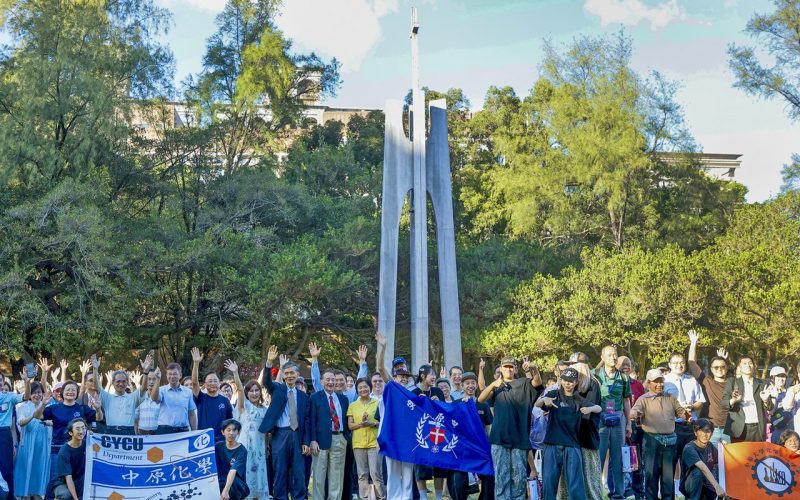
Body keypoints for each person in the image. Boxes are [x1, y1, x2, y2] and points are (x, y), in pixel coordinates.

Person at [478, 356, 544, 500]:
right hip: (499, 439)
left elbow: (538, 383)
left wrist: (533, 368)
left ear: (515, 369)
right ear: (501, 369)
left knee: (519, 480)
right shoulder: (497, 386)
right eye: (505, 366)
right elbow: (480, 399)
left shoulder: (524, 383)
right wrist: (493, 385)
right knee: (502, 479)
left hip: (519, 439)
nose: (508, 369)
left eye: (511, 367)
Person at [537, 367, 600, 499]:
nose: (568, 383)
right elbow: (537, 403)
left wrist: (590, 408)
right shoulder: (553, 394)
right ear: (561, 380)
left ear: (576, 382)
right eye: (565, 380)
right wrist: (544, 400)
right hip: (552, 444)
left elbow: (599, 408)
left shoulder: (579, 399)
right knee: (549, 482)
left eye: (571, 381)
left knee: (575, 484)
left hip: (572, 446)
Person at [630, 369, 689, 500]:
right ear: (649, 383)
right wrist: (634, 414)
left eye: (661, 381)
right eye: (656, 382)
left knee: (668, 478)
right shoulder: (643, 399)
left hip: (670, 442)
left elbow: (681, 412)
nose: (659, 384)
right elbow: (634, 411)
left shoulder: (670, 398)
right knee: (651, 476)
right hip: (651, 441)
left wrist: (687, 415)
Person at [260, 345, 310, 500]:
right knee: (280, 471)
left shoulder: (303, 397)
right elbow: (266, 381)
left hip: (297, 436)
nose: (289, 376)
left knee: (298, 473)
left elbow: (307, 421)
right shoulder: (277, 389)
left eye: (292, 373)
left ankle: (299, 497)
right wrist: (269, 362)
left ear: (297, 375)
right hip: (279, 435)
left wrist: (306, 441)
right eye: (286, 373)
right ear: (283, 374)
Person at [41, 379, 98, 494]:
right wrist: (42, 405)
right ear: (62, 392)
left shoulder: (82, 408)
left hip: (78, 451)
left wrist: (99, 408)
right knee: (56, 479)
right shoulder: (54, 408)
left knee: (78, 479)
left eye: (73, 389)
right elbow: (38, 416)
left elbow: (98, 418)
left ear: (77, 393)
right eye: (68, 389)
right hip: (58, 449)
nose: (70, 392)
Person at [558, 361, 603, 500]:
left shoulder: (592, 385)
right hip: (571, 439)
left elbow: (588, 413)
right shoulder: (569, 390)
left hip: (586, 438)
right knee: (569, 475)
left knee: (589, 475)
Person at [226, 359, 269, 499]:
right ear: (247, 393)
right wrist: (235, 373)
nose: (254, 393)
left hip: (260, 446)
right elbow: (239, 388)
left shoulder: (264, 409)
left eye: (257, 390)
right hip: (245, 446)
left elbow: (266, 431)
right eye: (251, 391)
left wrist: (267, 447)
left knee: (260, 473)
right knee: (246, 473)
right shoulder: (244, 406)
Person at [593, 345, 631, 500]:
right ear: (602, 358)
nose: (613, 358)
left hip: (618, 418)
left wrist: (628, 423)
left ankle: (618, 494)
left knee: (618, 458)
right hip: (600, 418)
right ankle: (595, 492)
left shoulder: (623, 377)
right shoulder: (595, 375)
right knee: (599, 458)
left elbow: (626, 400)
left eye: (615, 355)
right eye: (609, 355)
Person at [309, 366, 350, 500]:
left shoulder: (343, 399)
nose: (331, 382)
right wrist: (313, 440)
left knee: (336, 477)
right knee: (319, 477)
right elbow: (311, 420)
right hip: (320, 442)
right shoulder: (315, 397)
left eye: (333, 380)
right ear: (321, 381)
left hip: (339, 439)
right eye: (328, 380)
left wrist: (345, 437)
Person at [687, 331, 730, 443]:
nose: (719, 369)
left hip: (729, 429)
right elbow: (692, 363)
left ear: (726, 368)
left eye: (722, 366)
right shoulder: (706, 381)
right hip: (710, 428)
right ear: (711, 369)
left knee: (729, 460)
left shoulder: (733, 382)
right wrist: (693, 342)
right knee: (710, 459)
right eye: (716, 367)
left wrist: (723, 358)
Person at [663, 352, 706, 467]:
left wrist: (692, 406)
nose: (679, 365)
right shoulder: (664, 381)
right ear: (669, 365)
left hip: (690, 426)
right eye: (675, 363)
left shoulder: (691, 380)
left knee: (689, 464)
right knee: (669, 464)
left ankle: (686, 485)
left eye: (682, 362)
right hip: (672, 427)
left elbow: (701, 401)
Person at [412, 364, 448, 499]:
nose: (434, 377)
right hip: (420, 434)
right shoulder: (414, 392)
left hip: (437, 433)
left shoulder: (437, 392)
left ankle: (438, 497)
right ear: (423, 376)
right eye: (431, 374)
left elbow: (445, 412)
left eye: (435, 374)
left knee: (439, 466)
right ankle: (423, 497)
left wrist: (438, 403)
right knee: (420, 467)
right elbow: (411, 414)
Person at [94, 354, 150, 435]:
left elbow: (144, 388)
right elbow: (97, 387)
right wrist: (95, 369)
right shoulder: (107, 398)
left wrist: (145, 372)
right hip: (111, 432)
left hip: (128, 432)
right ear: (112, 382)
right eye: (118, 381)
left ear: (127, 382)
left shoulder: (133, 397)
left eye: (124, 381)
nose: (121, 384)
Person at [347, 377, 384, 500]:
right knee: (362, 474)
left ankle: (381, 497)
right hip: (358, 444)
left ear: (370, 387)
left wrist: (371, 423)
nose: (363, 389)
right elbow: (350, 425)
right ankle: (364, 497)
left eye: (365, 386)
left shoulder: (377, 403)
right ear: (357, 390)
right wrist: (362, 424)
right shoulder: (353, 405)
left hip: (374, 443)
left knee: (376, 474)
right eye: (360, 387)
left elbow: (382, 423)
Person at [14, 380, 52, 499]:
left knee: (39, 469)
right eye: (34, 392)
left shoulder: (47, 406)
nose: (37, 395)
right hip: (28, 444)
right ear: (29, 394)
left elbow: (55, 421)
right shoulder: (23, 407)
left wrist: (50, 423)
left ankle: (37, 494)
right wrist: (32, 416)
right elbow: (21, 422)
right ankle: (25, 495)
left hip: (43, 445)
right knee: (26, 470)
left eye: (39, 392)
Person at [191, 347, 234, 442]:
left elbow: (230, 422)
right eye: (210, 381)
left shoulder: (225, 401)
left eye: (215, 381)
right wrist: (196, 363)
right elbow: (194, 383)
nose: (213, 383)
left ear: (219, 383)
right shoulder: (201, 398)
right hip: (203, 440)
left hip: (222, 440)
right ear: (205, 384)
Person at [722, 357, 768, 442]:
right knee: (740, 455)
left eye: (750, 363)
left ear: (754, 366)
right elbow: (724, 403)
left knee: (758, 454)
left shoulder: (761, 383)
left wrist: (766, 400)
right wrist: (733, 400)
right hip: (739, 428)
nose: (748, 365)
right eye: (744, 363)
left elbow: (770, 407)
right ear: (739, 367)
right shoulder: (732, 382)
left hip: (758, 428)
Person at [0, 370, 30, 495]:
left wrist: (27, 381)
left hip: (3, 434)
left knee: (7, 469)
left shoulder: (10, 396)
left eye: (0, 380)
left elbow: (26, 397)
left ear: (3, 382)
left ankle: (10, 497)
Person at [150, 361, 198, 434]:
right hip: (165, 430)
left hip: (183, 430)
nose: (172, 376)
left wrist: (194, 432)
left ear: (180, 375)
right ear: (166, 375)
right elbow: (154, 398)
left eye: (175, 374)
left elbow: (191, 414)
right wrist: (157, 379)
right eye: (170, 374)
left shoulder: (188, 392)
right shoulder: (162, 390)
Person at [52, 418, 87, 500]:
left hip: (80, 480)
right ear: (70, 433)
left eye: (83, 428)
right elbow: (68, 478)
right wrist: (76, 499)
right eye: (77, 429)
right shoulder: (64, 451)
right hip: (64, 483)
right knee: (65, 495)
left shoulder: (88, 444)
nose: (81, 431)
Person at [216, 418, 250, 500]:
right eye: (228, 430)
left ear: (238, 432)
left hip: (238, 485)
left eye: (234, 430)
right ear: (222, 432)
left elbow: (233, 471)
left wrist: (225, 491)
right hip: (221, 481)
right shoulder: (217, 446)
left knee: (232, 481)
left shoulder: (242, 450)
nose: (231, 433)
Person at [765, 366, 790, 442]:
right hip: (774, 431)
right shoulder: (767, 392)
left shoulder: (789, 392)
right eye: (778, 376)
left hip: (790, 430)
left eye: (783, 376)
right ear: (772, 378)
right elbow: (770, 412)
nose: (781, 379)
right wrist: (773, 395)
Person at [135, 367, 161, 435]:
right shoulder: (140, 397)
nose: (151, 382)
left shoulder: (162, 397)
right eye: (149, 379)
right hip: (142, 433)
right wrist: (135, 434)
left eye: (154, 379)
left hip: (159, 434)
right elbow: (136, 419)